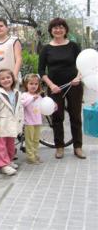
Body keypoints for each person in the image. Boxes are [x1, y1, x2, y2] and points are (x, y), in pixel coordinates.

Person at [38, 18, 85, 159]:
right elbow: (41, 71)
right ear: (51, 30)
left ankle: (78, 147)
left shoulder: (74, 46)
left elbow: (82, 65)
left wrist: (79, 77)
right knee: (57, 117)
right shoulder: (46, 49)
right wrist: (51, 85)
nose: (58, 30)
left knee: (75, 117)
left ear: (65, 29)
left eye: (61, 27)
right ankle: (59, 147)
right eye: (55, 28)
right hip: (55, 88)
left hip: (74, 86)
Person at [0, 69, 23, 176]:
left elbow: (20, 109)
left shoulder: (17, 93)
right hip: (0, 125)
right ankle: (3, 165)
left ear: (13, 78)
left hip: (11, 124)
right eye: (2, 79)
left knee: (11, 145)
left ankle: (9, 160)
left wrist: (21, 122)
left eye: (8, 77)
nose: (6, 80)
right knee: (1, 146)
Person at [21, 74, 43, 164]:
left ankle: (35, 154)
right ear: (26, 84)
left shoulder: (39, 96)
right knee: (29, 140)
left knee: (36, 140)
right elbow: (22, 104)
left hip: (37, 122)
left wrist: (53, 107)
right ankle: (30, 157)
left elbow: (43, 106)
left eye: (36, 84)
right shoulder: (25, 95)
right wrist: (31, 98)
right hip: (29, 122)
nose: (33, 86)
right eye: (31, 83)